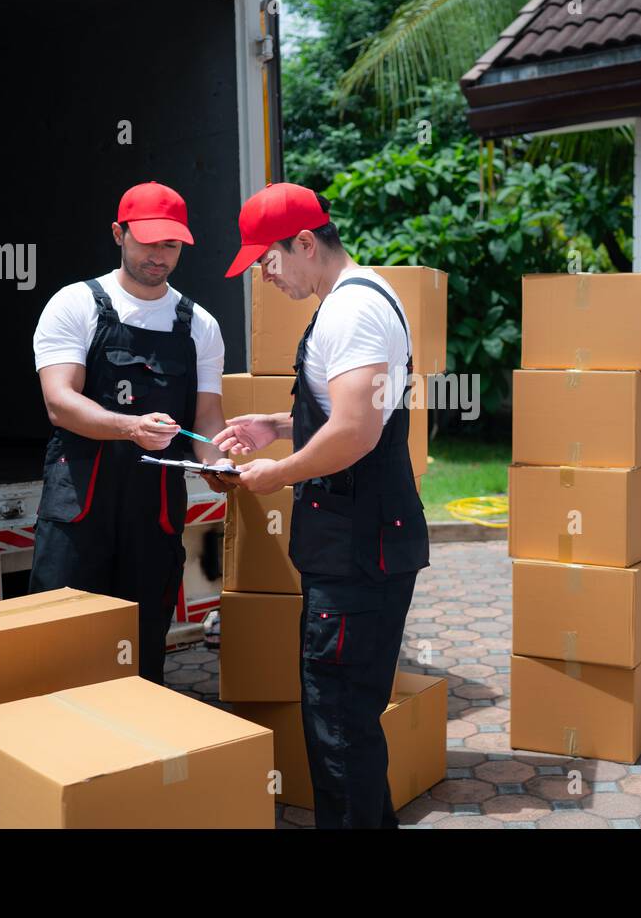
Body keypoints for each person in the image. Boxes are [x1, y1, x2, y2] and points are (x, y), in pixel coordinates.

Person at [214, 182, 429, 829]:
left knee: (339, 732)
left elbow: (357, 430)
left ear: (305, 243)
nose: (265, 275)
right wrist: (276, 426)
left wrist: (277, 472)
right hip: (363, 546)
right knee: (345, 725)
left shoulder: (350, 311)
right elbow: (346, 410)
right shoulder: (361, 297)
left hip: (357, 554)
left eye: (269, 260)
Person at [29, 181, 237, 684]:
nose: (159, 256)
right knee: (62, 639)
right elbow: (60, 402)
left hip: (155, 507)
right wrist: (130, 428)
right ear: (119, 233)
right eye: (147, 242)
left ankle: (136, 750)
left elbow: (207, 419)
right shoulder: (74, 304)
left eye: (171, 245)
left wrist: (217, 464)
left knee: (141, 648)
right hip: (80, 500)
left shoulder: (200, 325)